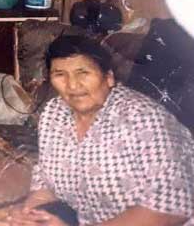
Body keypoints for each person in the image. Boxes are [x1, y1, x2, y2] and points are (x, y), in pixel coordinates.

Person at [10, 35, 194, 226]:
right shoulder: (53, 113)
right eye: (60, 75)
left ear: (109, 78)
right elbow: (46, 185)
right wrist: (29, 213)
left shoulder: (143, 118)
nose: (72, 85)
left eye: (83, 73)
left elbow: (172, 208)